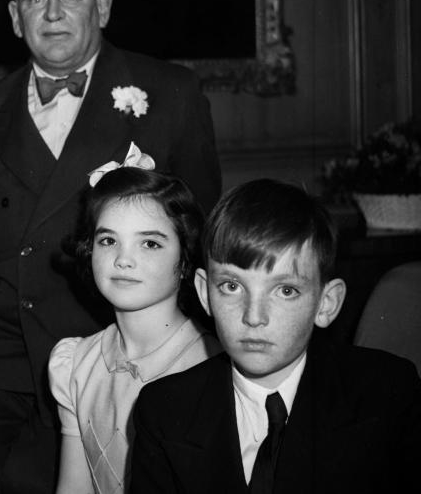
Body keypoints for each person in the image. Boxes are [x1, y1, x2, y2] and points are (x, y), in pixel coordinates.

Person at [0, 0, 221, 494]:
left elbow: (202, 238)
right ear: (14, 17)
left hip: (113, 347)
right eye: (34, 0)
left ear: (104, 7)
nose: (52, 15)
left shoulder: (170, 94)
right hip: (0, 357)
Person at [130, 179, 421, 493]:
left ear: (326, 303)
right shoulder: (165, 410)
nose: (254, 317)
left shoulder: (387, 394)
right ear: (204, 293)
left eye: (286, 290)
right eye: (231, 286)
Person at [48, 151, 221, 494]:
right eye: (108, 240)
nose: (124, 259)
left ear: (186, 260)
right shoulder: (76, 364)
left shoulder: (211, 368)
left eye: (150, 243)